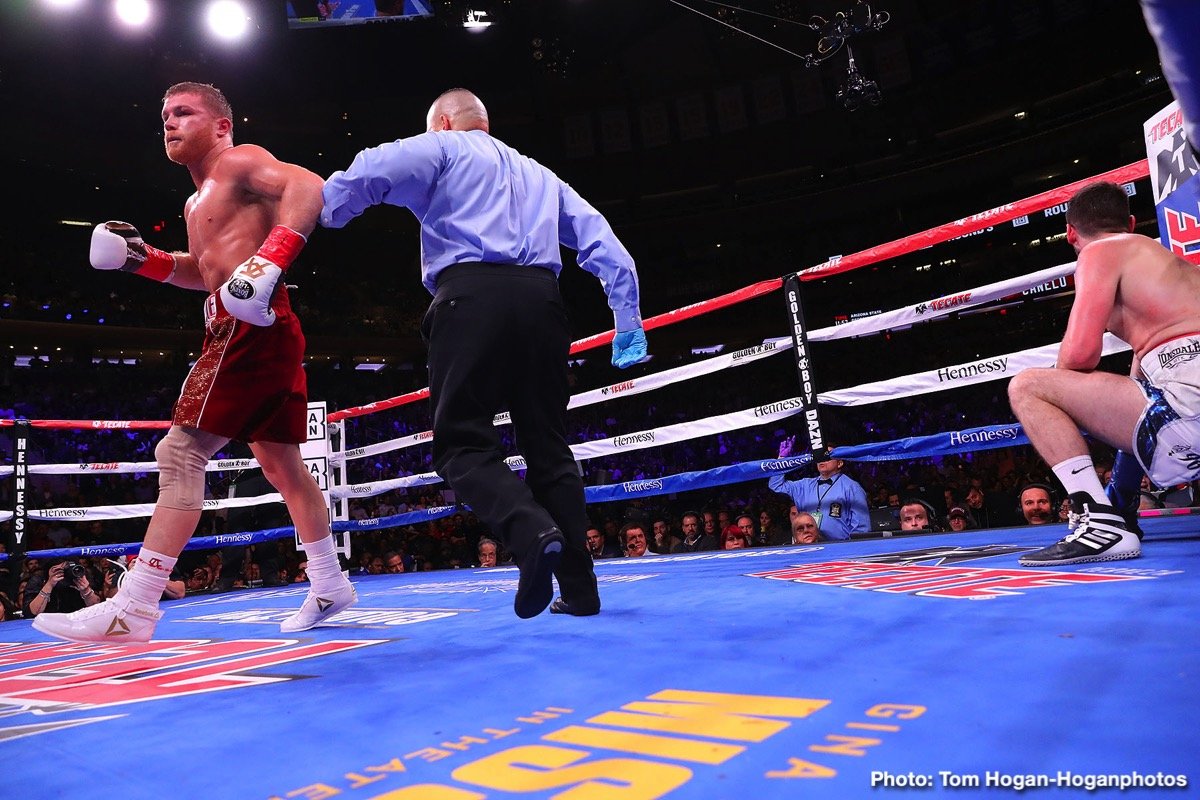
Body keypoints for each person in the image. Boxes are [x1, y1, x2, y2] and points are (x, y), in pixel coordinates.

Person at [32, 82, 355, 644]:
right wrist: (143, 261)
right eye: (165, 115)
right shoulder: (196, 199)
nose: (170, 122)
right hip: (251, 319)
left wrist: (270, 260)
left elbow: (308, 185)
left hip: (248, 324)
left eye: (184, 113)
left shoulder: (239, 161)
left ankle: (134, 606)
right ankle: (329, 582)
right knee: (281, 464)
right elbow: (201, 270)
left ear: (223, 125)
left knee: (179, 451)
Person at [320, 89, 646, 619]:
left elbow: (374, 165)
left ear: (444, 123)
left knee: (461, 445)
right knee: (548, 446)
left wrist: (328, 209)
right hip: (543, 305)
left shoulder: (445, 149)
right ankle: (582, 592)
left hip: (470, 299)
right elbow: (608, 246)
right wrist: (626, 321)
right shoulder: (543, 176)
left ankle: (529, 530)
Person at [1007, 180, 1200, 565]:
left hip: (1190, 398)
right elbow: (1140, 394)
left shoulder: (1100, 252)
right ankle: (1114, 513)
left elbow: (1078, 357)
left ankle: (1099, 524)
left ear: (1071, 233)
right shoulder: (1174, 268)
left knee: (1029, 387)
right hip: (1182, 389)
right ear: (1130, 222)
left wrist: (1063, 393)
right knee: (1141, 402)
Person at [767, 437, 869, 540]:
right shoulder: (804, 486)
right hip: (808, 548)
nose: (822, 459)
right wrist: (782, 458)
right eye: (819, 456)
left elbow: (861, 530)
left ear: (840, 463)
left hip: (838, 550)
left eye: (828, 456)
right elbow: (776, 485)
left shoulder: (852, 488)